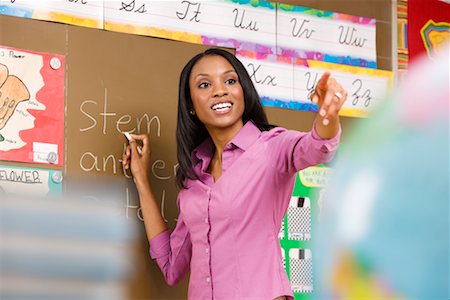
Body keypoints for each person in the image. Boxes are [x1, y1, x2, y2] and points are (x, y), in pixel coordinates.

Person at [122, 48, 347, 300]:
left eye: (230, 81)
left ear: (243, 92)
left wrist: (328, 116)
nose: (220, 90)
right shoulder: (194, 179)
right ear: (191, 105)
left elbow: (318, 147)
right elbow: (171, 267)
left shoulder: (271, 148)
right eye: (205, 84)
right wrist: (141, 181)